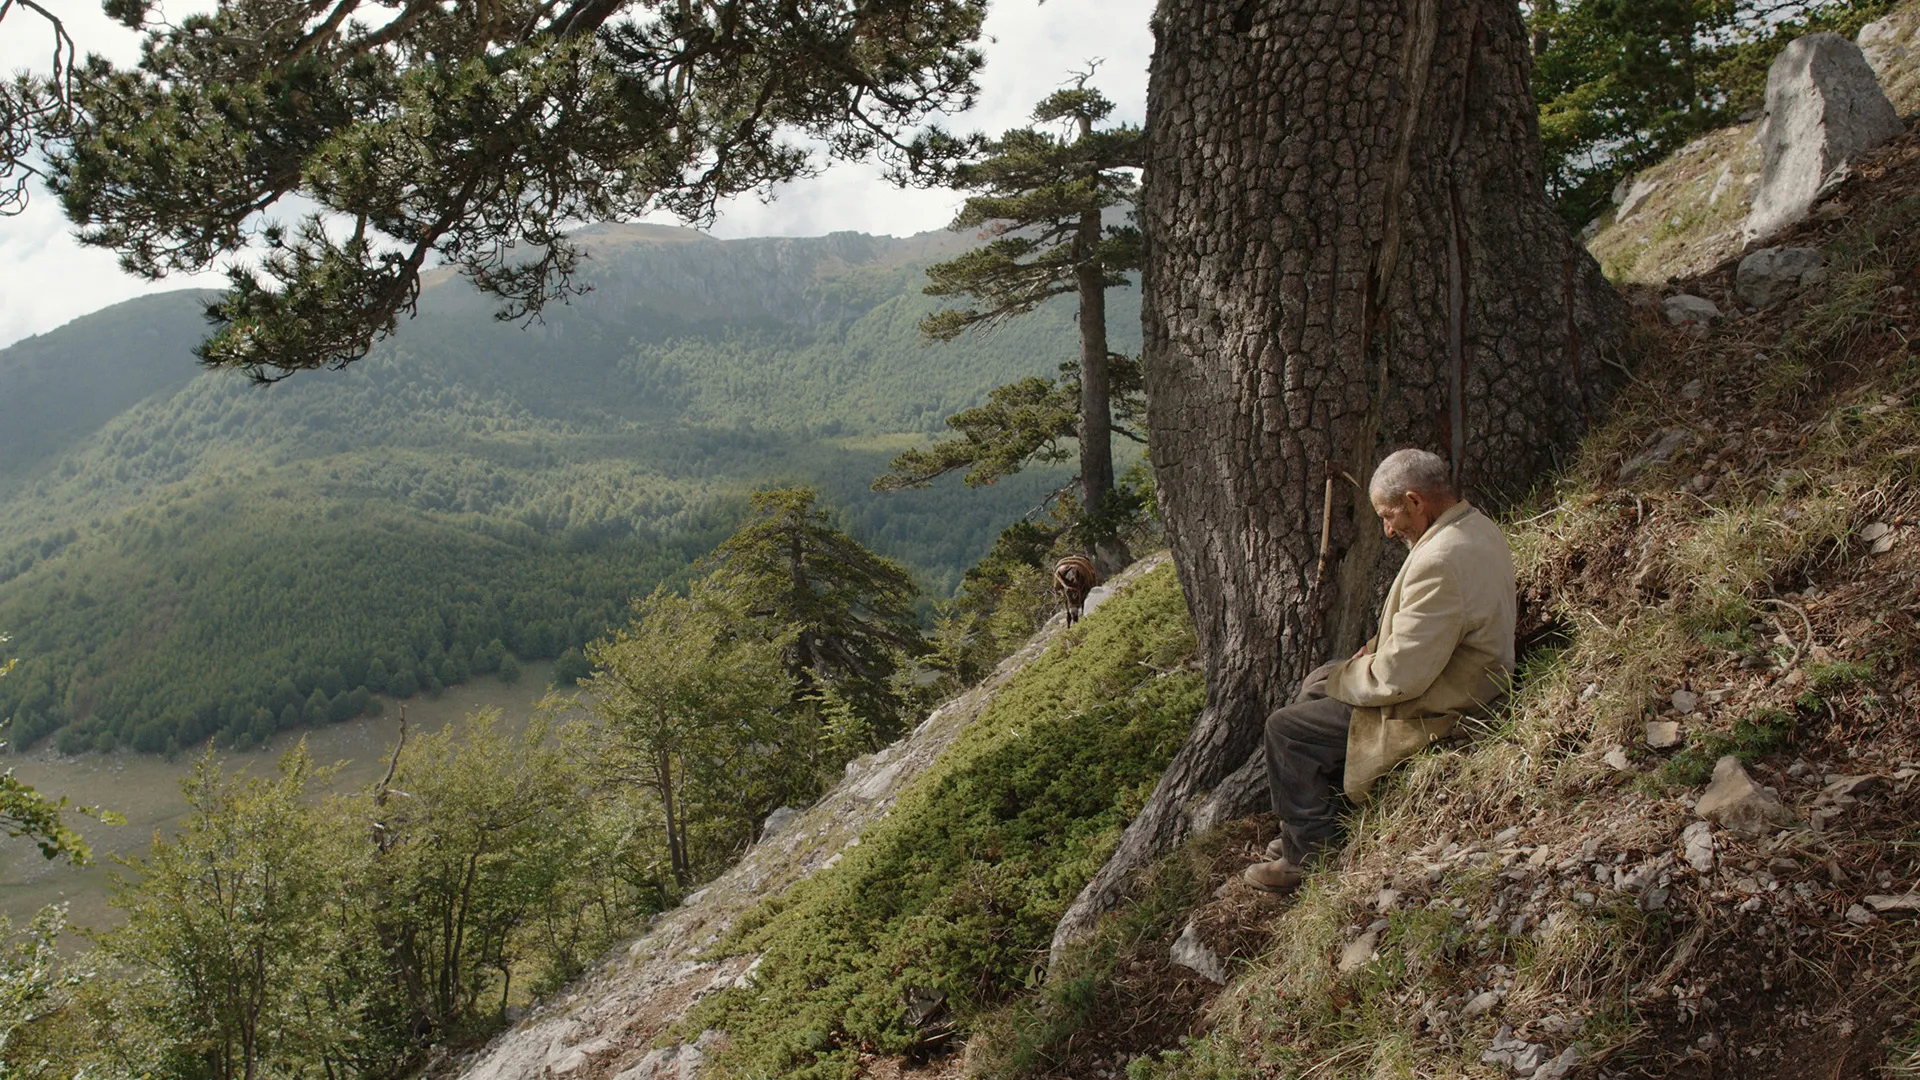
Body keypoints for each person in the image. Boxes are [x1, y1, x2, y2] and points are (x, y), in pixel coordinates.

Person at [1243, 448, 1517, 894]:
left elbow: (1398, 678)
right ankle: (1308, 822)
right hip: (1461, 672)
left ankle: (1309, 857)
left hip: (1446, 700)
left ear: (1415, 500)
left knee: (1286, 730)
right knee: (1315, 685)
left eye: (1389, 516)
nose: (1388, 530)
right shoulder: (1475, 527)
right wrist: (1361, 657)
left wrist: (1346, 676)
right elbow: (1428, 628)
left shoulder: (1439, 560)